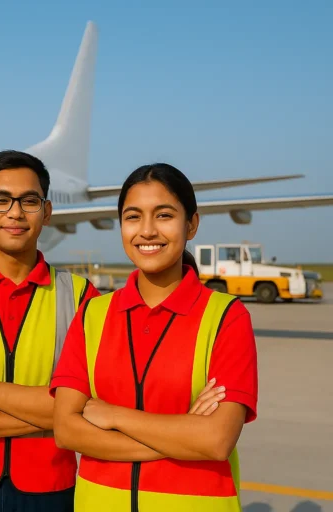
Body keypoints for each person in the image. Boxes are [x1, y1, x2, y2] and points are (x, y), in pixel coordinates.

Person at [50, 163, 259, 511]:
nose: (147, 231)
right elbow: (66, 431)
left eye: (163, 215)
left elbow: (217, 440)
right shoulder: (92, 315)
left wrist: (115, 417)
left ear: (191, 224)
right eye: (133, 217)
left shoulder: (226, 316)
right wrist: (184, 434)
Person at [0, 150, 100, 511]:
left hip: (51, 488)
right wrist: (54, 417)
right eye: (0, 200)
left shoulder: (81, 297)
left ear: (47, 211)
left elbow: (88, 404)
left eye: (29, 201)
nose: (14, 212)